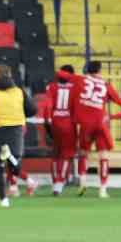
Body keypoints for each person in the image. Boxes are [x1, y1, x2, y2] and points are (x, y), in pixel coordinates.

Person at [0, 65, 35, 207]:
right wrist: (20, 113)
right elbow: (32, 110)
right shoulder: (19, 92)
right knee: (15, 167)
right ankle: (10, 157)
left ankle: (3, 200)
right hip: (15, 130)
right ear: (10, 76)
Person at [72, 59, 121, 199]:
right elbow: (119, 101)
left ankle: (83, 182)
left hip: (86, 124)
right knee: (103, 156)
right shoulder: (105, 84)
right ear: (99, 70)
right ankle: (103, 189)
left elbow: (62, 75)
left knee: (83, 153)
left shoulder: (81, 80)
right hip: (100, 123)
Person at [41, 65, 79, 195]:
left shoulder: (51, 87)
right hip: (69, 124)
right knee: (67, 155)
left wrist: (47, 124)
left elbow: (47, 107)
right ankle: (60, 182)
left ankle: (55, 182)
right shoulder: (75, 89)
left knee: (55, 155)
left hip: (54, 123)